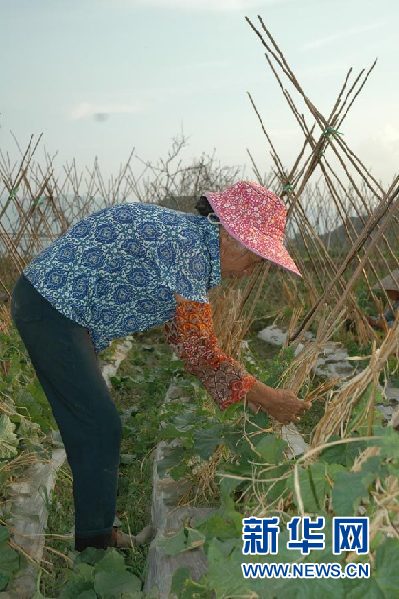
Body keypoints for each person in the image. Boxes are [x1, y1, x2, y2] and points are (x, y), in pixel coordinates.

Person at [10, 180, 311, 552]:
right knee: (98, 427)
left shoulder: (187, 242)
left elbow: (184, 335)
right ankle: (95, 547)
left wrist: (245, 390)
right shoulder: (187, 249)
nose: (255, 269)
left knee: (90, 424)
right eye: (258, 256)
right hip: (51, 310)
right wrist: (269, 399)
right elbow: (196, 347)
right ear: (233, 238)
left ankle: (96, 535)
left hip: (59, 310)